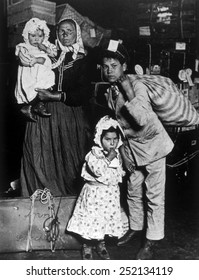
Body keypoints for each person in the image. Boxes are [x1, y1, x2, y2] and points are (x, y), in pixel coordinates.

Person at [100, 41, 174, 259]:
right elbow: (118, 126)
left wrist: (127, 87)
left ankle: (152, 239)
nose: (109, 70)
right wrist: (123, 152)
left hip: (153, 146)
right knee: (133, 190)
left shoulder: (137, 85)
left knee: (154, 195)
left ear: (124, 65)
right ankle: (136, 227)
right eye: (105, 66)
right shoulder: (110, 90)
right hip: (132, 149)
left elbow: (140, 118)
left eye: (114, 65)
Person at [19, 18, 92, 196]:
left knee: (70, 160)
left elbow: (85, 93)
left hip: (69, 115)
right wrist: (28, 104)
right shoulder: (46, 52)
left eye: (69, 31)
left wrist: (56, 95)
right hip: (43, 114)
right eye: (61, 31)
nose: (65, 34)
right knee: (39, 157)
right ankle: (39, 201)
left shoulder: (84, 59)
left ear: (77, 34)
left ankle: (68, 202)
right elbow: (26, 77)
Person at [66, 115, 125, 260]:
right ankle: (87, 245)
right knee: (91, 220)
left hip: (109, 195)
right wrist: (108, 158)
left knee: (104, 220)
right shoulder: (94, 154)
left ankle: (101, 243)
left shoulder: (117, 155)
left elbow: (116, 173)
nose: (112, 143)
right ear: (100, 139)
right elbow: (97, 170)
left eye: (115, 139)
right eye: (107, 139)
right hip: (94, 194)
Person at [15, 18, 57, 121]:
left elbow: (54, 54)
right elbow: (22, 60)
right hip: (30, 73)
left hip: (43, 73)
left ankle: (38, 105)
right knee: (31, 90)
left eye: (40, 36)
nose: (36, 39)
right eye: (33, 36)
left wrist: (45, 49)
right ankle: (29, 106)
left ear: (45, 35)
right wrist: (33, 60)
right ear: (26, 35)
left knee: (44, 88)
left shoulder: (46, 45)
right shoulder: (24, 47)